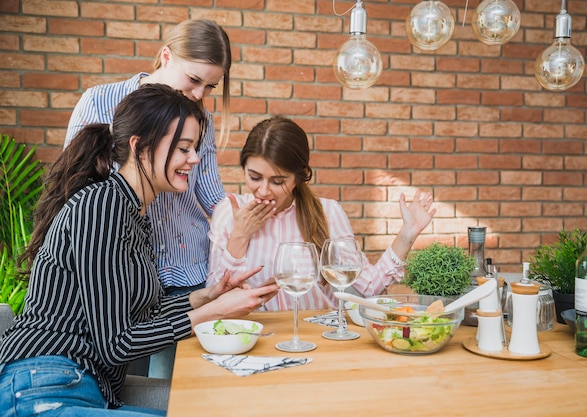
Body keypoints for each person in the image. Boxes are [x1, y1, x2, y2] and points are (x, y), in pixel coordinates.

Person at [0, 84, 279, 417]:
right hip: (41, 385)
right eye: (184, 148)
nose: (194, 159)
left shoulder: (134, 215)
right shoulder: (102, 206)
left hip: (81, 388)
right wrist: (213, 314)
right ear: (140, 147)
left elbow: (142, 313)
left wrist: (208, 296)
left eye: (195, 148)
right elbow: (118, 343)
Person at [64, 19, 232, 378]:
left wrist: (240, 221)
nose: (200, 95)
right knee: (125, 374)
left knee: (180, 388)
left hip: (187, 269)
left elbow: (211, 190)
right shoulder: (100, 102)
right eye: (194, 80)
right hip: (123, 273)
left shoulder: (201, 117)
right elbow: (76, 188)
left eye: (210, 86)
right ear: (167, 57)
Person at [207, 116, 436, 311]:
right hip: (253, 337)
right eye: (254, 177)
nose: (264, 190)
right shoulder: (229, 210)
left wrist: (407, 233)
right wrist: (240, 235)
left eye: (278, 181)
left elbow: (368, 288)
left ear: (299, 176)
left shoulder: (328, 213)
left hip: (317, 338)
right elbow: (214, 299)